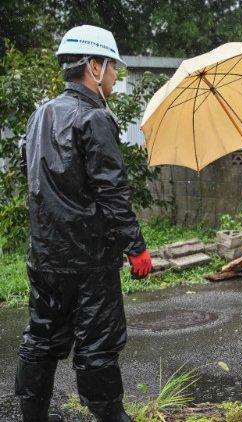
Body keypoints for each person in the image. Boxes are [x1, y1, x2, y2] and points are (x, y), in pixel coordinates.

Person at [15, 24, 152, 422]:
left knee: (40, 338)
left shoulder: (40, 114)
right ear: (94, 66)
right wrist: (136, 246)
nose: (115, 77)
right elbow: (112, 190)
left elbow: (31, 173)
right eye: (112, 68)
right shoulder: (93, 117)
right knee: (97, 346)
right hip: (89, 260)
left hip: (44, 255)